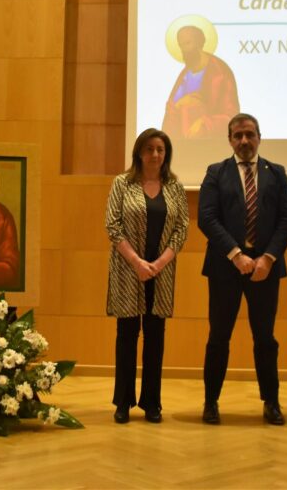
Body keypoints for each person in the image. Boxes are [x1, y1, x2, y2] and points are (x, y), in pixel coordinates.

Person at [198, 113, 287, 425]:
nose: (244, 140)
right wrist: (236, 254)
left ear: (259, 137)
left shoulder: (277, 173)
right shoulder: (216, 172)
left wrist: (267, 258)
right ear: (230, 139)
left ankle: (271, 402)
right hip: (226, 268)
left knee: (265, 339)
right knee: (219, 337)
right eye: (238, 135)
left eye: (249, 134)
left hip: (265, 270)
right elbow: (207, 218)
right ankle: (211, 402)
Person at [105, 128, 189, 424]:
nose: (156, 154)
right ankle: (123, 402)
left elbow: (182, 230)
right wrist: (138, 262)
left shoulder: (175, 187)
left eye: (161, 150)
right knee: (126, 336)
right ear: (139, 152)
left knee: (156, 339)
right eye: (150, 149)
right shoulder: (122, 183)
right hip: (129, 271)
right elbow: (112, 226)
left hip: (161, 273)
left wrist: (159, 263)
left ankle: (152, 403)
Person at [162, 24, 239, 141]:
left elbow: (231, 116)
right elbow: (172, 111)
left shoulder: (219, 72)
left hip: (209, 144)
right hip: (183, 144)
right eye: (181, 45)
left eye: (188, 43)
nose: (184, 49)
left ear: (199, 43)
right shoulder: (185, 75)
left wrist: (205, 123)